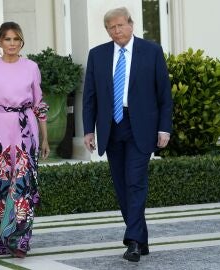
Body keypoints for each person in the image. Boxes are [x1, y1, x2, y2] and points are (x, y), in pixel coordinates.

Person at [83, 7, 172, 262]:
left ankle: (132, 241)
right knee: (122, 186)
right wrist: (89, 129)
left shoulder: (151, 51)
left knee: (135, 181)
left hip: (141, 127)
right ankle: (141, 239)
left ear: (131, 24)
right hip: (112, 127)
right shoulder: (97, 55)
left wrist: (164, 128)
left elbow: (164, 95)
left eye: (120, 25)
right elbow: (90, 97)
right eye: (111, 27)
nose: (117, 30)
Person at [0, 22, 50, 258]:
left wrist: (45, 138)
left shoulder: (31, 67)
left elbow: (39, 104)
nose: (12, 44)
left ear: (21, 42)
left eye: (16, 39)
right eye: (7, 39)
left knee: (22, 186)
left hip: (26, 131)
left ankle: (19, 241)